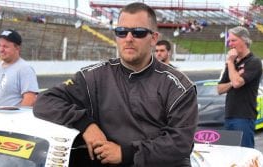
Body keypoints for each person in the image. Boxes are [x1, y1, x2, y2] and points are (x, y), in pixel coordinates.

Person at [33, 2, 198, 167]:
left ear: (154, 38)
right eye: (122, 32)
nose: (128, 38)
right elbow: (45, 101)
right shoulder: (94, 77)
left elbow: (180, 143)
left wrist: (125, 153)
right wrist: (86, 125)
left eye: (138, 32)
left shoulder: (179, 87)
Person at [217, 26, 263, 148]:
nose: (230, 44)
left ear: (244, 40)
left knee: (245, 154)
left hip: (244, 116)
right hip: (229, 115)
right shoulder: (233, 63)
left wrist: (231, 63)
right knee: (230, 155)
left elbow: (237, 83)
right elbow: (220, 89)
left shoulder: (254, 62)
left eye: (233, 40)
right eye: (229, 41)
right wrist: (232, 80)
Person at [0, 29, 39, 107]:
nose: (1, 50)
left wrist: (16, 118)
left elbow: (30, 99)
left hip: (10, 118)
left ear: (17, 48)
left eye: (5, 46)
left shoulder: (24, 69)